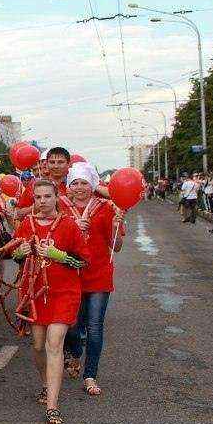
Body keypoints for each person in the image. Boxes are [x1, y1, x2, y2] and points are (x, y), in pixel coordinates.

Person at [13, 179, 87, 424]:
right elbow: (13, 255)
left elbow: (82, 261)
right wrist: (20, 253)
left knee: (54, 343)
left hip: (64, 293)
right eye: (38, 197)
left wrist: (60, 256)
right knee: (37, 345)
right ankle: (45, 384)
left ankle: (53, 406)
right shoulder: (26, 224)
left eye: (47, 196)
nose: (42, 201)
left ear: (57, 197)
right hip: (35, 294)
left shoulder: (69, 225)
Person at [62, 162, 123, 395]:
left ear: (93, 185)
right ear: (69, 187)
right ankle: (76, 352)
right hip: (70, 274)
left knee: (95, 327)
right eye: (75, 183)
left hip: (98, 274)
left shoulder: (106, 208)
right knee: (73, 326)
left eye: (84, 183)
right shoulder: (61, 208)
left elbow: (116, 246)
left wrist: (119, 225)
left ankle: (90, 375)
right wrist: (73, 227)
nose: (80, 188)